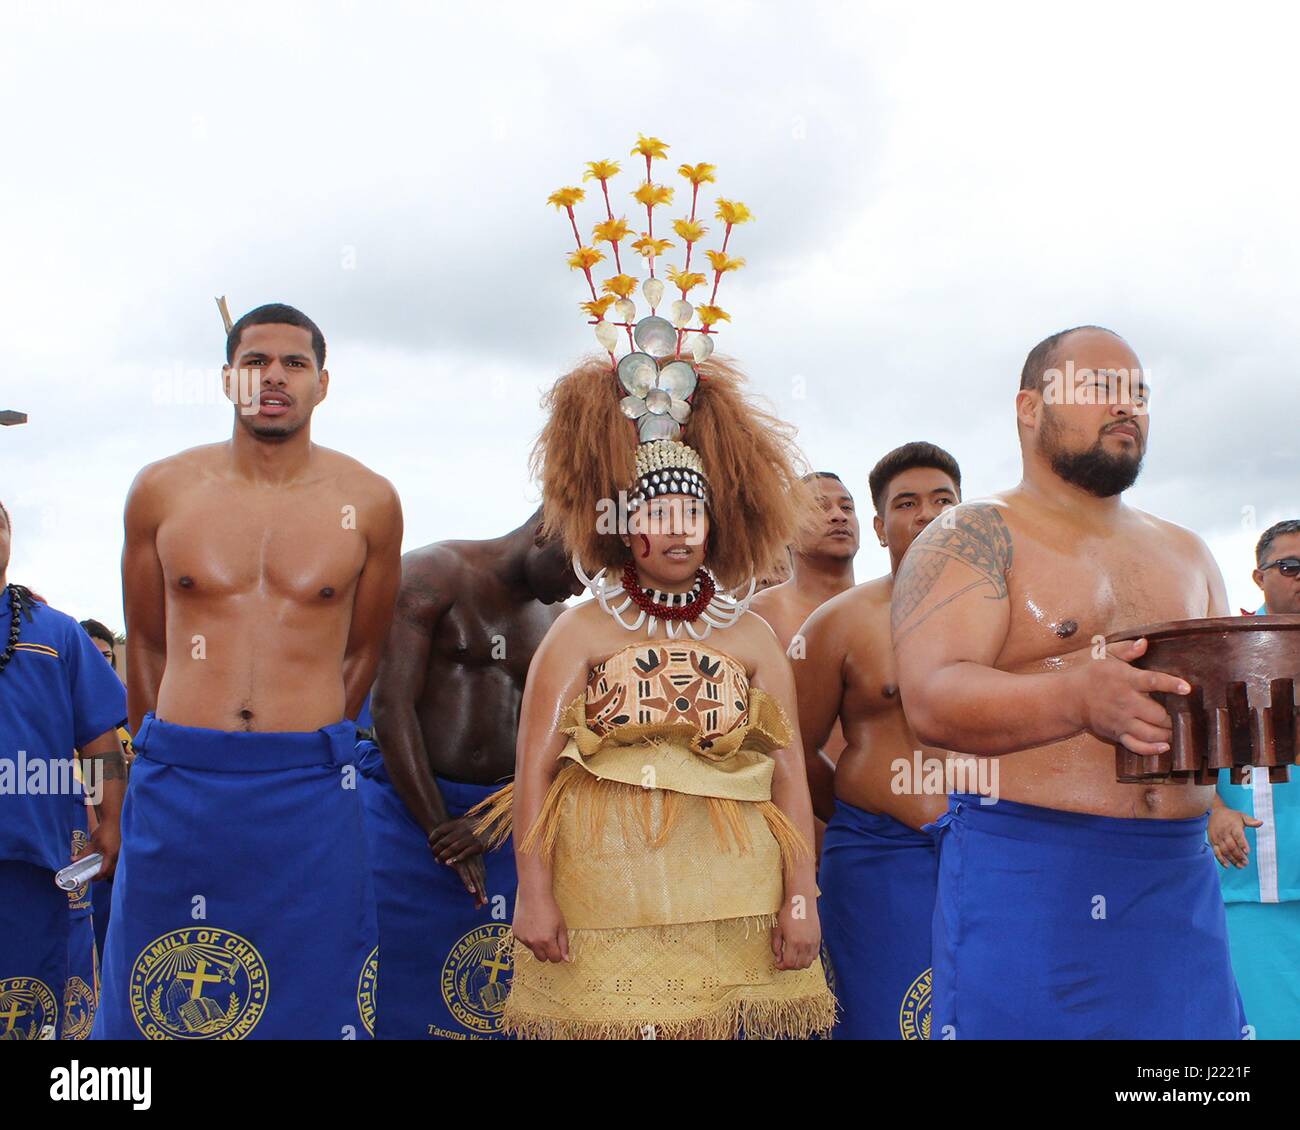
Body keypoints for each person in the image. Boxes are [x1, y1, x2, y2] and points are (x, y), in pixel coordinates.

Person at [469, 143, 836, 1038]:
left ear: (715, 525)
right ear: (624, 525)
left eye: (691, 514)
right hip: (602, 895)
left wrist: (801, 900)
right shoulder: (579, 631)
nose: (675, 530)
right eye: (656, 513)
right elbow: (533, 771)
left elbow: (789, 776)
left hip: (735, 893)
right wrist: (535, 893)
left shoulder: (749, 637)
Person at [893, 325, 1244, 1040]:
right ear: (1030, 407)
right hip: (1031, 872)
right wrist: (1076, 696)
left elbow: (1215, 702)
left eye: (1139, 394)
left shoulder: (1188, 551)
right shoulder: (972, 535)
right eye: (1100, 389)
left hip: (1179, 880)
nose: (1127, 408)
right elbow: (931, 699)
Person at [94, 303, 403, 1040]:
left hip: (309, 786)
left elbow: (362, 650)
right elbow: (145, 642)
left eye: (293, 364)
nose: (273, 378)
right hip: (182, 779)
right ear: (226, 378)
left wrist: (312, 735)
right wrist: (161, 754)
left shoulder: (369, 502)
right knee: (158, 989)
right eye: (255, 362)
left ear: (322, 384)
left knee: (315, 987)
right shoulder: (162, 491)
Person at [359, 511, 580, 1039]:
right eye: (578, 568)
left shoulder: (557, 621)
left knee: (490, 981)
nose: (576, 585)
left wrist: (493, 823)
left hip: (500, 822)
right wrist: (440, 827)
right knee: (387, 968)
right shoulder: (431, 573)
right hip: (404, 813)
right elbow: (391, 708)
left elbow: (558, 743)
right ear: (551, 528)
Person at [795, 442, 961, 1039]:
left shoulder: (1016, 614)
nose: (927, 515)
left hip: (993, 846)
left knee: (992, 1010)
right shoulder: (840, 622)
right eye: (907, 503)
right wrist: (853, 811)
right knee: (882, 1018)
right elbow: (792, 746)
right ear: (880, 525)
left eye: (944, 501)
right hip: (874, 855)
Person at [0, 500, 126, 1040]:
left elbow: (98, 740)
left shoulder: (55, 634)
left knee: (29, 1014)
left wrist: (112, 819)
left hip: (36, 865)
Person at [1209, 518, 1300, 1039]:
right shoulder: (1216, 655)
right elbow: (1173, 756)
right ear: (1259, 577)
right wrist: (1212, 811)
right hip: (1247, 891)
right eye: (1290, 566)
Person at [751, 472, 859, 648]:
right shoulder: (758, 614)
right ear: (787, 530)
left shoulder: (889, 609)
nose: (839, 516)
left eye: (847, 507)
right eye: (820, 507)